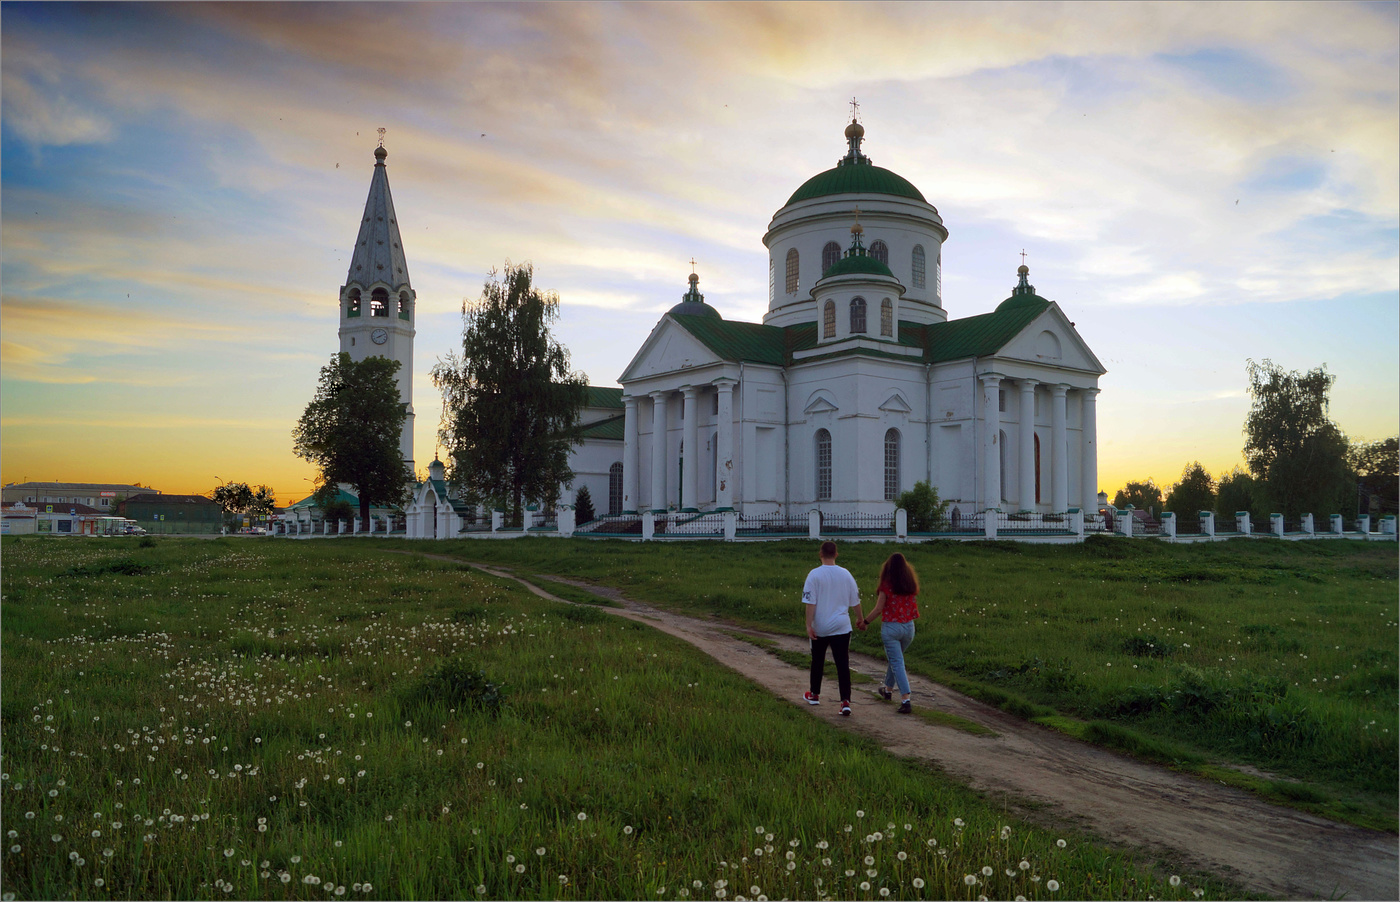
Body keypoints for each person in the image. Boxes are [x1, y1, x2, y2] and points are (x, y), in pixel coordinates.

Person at [802, 540, 864, 716]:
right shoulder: (846, 574)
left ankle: (814, 694)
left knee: (817, 661)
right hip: (842, 626)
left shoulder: (814, 575)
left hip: (820, 625)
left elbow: (810, 603)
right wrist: (860, 620)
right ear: (836, 554)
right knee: (842, 663)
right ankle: (845, 701)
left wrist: (809, 625)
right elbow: (855, 601)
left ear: (820, 554)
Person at [857, 552, 920, 714]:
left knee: (897, 662)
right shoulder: (911, 584)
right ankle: (887, 690)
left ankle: (906, 699)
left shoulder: (886, 585)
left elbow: (879, 609)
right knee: (895, 660)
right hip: (909, 628)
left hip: (891, 628)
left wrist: (864, 622)